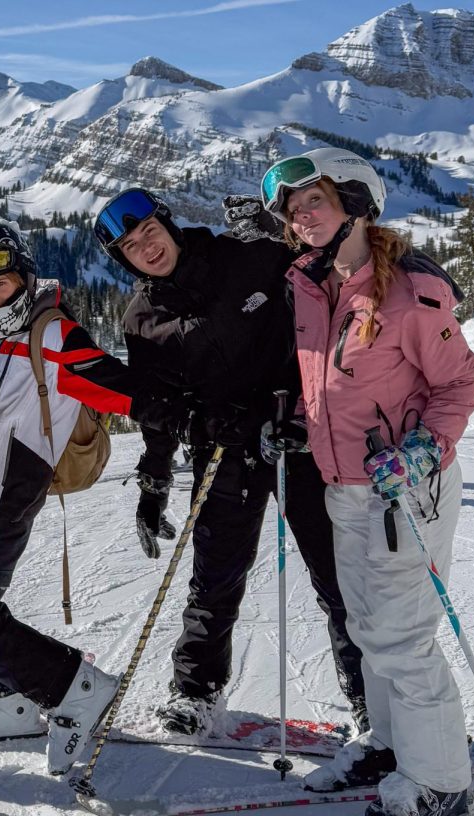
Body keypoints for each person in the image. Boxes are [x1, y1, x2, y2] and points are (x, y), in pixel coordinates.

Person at [93, 188, 368, 736]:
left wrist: (305, 403)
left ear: (167, 224)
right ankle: (197, 693)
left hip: (298, 441)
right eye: (129, 246)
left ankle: (370, 698)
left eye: (148, 231)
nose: (145, 248)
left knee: (339, 577)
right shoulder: (143, 319)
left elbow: (325, 300)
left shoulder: (246, 258)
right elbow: (159, 404)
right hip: (224, 453)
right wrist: (154, 481)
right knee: (213, 580)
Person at [259, 147, 474, 816]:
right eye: (293, 212)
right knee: (364, 625)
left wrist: (423, 450)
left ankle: (441, 780)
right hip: (346, 488)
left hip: (406, 492)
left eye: (314, 202)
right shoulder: (310, 283)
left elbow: (459, 381)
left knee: (403, 637)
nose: (300, 218)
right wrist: (297, 423)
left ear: (355, 201)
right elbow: (332, 384)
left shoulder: (409, 291)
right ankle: (389, 745)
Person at [0, 217, 180, 776]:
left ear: (23, 279)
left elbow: (120, 388)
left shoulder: (54, 337)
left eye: (1, 285)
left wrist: (190, 411)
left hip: (6, 494)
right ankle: (8, 699)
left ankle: (78, 688)